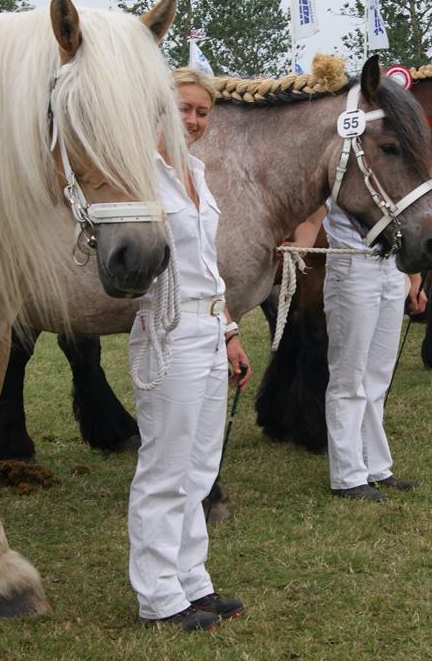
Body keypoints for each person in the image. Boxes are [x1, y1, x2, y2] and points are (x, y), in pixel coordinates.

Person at [126, 68, 250, 632]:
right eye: (182, 109)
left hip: (207, 327)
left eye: (202, 112)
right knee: (165, 465)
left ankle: (190, 579)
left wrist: (228, 331)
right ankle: (157, 597)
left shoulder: (197, 173)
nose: (193, 121)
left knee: (200, 466)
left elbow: (208, 266)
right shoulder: (138, 177)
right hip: (167, 327)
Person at [287, 209, 427, 502]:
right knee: (348, 376)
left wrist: (413, 276)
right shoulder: (337, 161)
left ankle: (376, 466)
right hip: (351, 265)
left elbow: (401, 215)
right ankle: (347, 475)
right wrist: (300, 246)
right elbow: (313, 217)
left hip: (391, 265)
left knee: (378, 375)